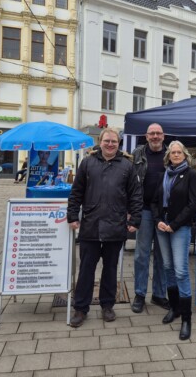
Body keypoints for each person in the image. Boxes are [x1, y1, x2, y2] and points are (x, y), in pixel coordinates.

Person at [67, 128, 143, 328]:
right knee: (86, 270)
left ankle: (107, 305)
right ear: (100, 142)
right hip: (90, 226)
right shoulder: (87, 163)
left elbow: (135, 195)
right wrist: (73, 215)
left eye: (114, 142)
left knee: (110, 269)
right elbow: (76, 192)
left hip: (115, 226)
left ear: (119, 144)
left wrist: (135, 220)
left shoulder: (127, 166)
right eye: (107, 141)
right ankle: (80, 308)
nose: (110, 144)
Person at [151, 141, 196, 340]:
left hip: (180, 228)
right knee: (168, 267)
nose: (176, 155)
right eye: (173, 153)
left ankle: (187, 319)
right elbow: (154, 201)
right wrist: (158, 221)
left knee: (180, 271)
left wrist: (175, 224)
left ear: (185, 155)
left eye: (179, 152)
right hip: (162, 227)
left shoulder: (191, 175)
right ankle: (174, 308)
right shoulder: (163, 175)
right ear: (169, 156)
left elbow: (193, 203)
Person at [130, 123, 169, 313]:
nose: (155, 136)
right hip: (144, 211)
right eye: (152, 133)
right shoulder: (137, 154)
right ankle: (139, 293)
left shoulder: (172, 154)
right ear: (146, 136)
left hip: (164, 212)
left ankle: (159, 295)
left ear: (164, 136)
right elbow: (129, 182)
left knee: (162, 256)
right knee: (141, 255)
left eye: (158, 133)